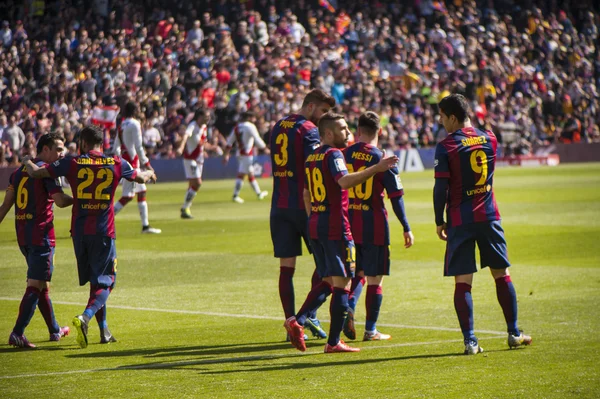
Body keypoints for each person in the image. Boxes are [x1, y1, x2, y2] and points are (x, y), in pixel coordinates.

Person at [23, 125, 157, 349]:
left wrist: (27, 159)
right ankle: (85, 318)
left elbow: (36, 173)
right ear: (101, 144)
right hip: (104, 231)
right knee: (107, 281)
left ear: (83, 144)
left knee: (96, 282)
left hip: (79, 232)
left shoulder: (71, 162)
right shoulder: (116, 162)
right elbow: (140, 177)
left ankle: (103, 331)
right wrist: (150, 173)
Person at [284, 112, 399, 353]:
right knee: (344, 283)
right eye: (343, 129)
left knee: (328, 280)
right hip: (337, 227)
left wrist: (314, 215)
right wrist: (376, 168)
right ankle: (331, 341)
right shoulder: (333, 154)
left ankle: (300, 320)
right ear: (328, 133)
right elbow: (344, 182)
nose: (348, 133)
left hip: (316, 224)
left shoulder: (312, 157)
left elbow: (306, 194)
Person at [433, 94, 532, 355]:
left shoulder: (446, 146)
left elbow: (440, 187)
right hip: (489, 215)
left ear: (453, 117)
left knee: (463, 282)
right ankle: (513, 333)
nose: (441, 122)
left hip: (460, 219)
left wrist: (438, 220)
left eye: (442, 117)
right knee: (502, 274)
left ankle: (471, 341)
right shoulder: (490, 138)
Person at [342, 111, 414, 342]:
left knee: (357, 273)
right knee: (375, 278)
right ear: (380, 131)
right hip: (374, 225)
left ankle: (348, 306)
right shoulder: (383, 159)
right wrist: (406, 226)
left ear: (357, 131)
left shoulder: (343, 154)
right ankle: (370, 330)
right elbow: (396, 196)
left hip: (348, 223)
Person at [269, 88, 335, 340]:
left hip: (279, 206)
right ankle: (308, 315)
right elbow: (313, 166)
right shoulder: (308, 130)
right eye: (323, 111)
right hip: (304, 207)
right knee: (326, 265)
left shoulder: (278, 126)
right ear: (310, 106)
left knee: (286, 268)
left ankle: (291, 324)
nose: (323, 117)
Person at [0, 133, 72, 348]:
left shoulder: (17, 173)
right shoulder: (46, 173)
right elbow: (59, 201)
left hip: (23, 236)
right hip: (41, 236)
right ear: (45, 150)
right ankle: (17, 333)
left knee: (42, 285)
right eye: (58, 149)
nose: (62, 153)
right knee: (36, 285)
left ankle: (54, 330)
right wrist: (82, 200)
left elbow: (5, 207)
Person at [113, 102, 161, 234]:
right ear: (135, 110)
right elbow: (139, 146)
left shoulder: (121, 124)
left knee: (141, 192)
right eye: (139, 109)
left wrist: (119, 160)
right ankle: (105, 219)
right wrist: (147, 163)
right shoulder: (134, 124)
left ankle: (145, 226)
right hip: (132, 164)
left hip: (126, 161)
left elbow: (115, 147)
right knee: (128, 196)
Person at [222, 111, 269, 203]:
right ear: (249, 118)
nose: (254, 119)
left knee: (250, 174)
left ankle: (259, 193)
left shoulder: (236, 127)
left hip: (239, 154)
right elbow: (257, 139)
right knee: (241, 175)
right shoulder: (250, 126)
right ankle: (235, 195)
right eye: (253, 117)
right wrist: (265, 148)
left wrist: (226, 154)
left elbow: (229, 142)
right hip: (247, 154)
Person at [176, 109, 210, 219]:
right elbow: (186, 136)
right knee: (198, 183)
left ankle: (185, 210)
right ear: (199, 116)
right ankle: (185, 207)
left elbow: (201, 143)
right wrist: (181, 147)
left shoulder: (204, 127)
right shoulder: (193, 125)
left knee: (192, 185)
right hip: (190, 159)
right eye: (206, 116)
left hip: (199, 160)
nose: (208, 118)